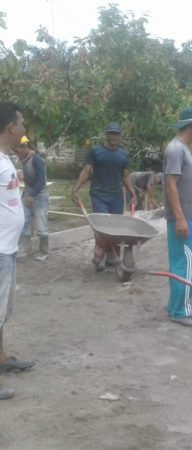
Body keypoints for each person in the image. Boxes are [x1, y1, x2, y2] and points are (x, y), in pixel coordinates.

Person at [0, 103, 35, 400]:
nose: (24, 129)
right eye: (21, 124)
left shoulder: (5, 159)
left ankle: (1, 360)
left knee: (2, 313)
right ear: (11, 127)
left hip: (7, 249)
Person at [163, 107, 192, 327]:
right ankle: (181, 313)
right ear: (191, 126)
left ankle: (175, 308)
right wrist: (180, 218)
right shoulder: (175, 149)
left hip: (188, 216)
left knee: (181, 264)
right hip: (184, 218)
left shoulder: (182, 149)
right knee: (186, 265)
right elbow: (170, 184)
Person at [71, 122, 137, 269]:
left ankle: (111, 256)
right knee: (102, 227)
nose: (114, 136)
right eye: (111, 133)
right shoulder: (95, 152)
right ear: (106, 135)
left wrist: (132, 193)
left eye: (116, 134)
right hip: (99, 194)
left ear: (120, 136)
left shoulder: (123, 155)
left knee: (115, 228)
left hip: (116, 197)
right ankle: (99, 255)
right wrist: (76, 189)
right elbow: (86, 171)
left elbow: (125, 176)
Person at [13, 135, 49, 261]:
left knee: (41, 226)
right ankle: (25, 250)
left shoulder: (37, 160)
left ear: (24, 147)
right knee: (23, 222)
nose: (16, 153)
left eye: (16, 150)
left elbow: (40, 181)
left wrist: (32, 195)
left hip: (40, 197)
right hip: (28, 195)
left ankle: (44, 252)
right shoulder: (23, 160)